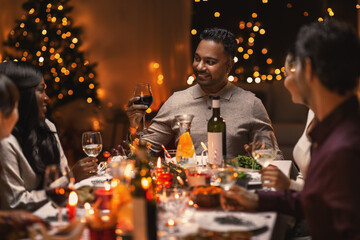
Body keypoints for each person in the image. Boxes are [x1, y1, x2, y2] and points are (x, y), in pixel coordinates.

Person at [221, 20, 360, 239]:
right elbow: (317, 200)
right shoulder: (334, 127)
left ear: (309, 69)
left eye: (294, 69)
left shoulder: (343, 147)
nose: (286, 81)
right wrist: (259, 200)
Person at [126, 27, 281, 159]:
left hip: (232, 188)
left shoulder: (251, 104)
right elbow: (143, 154)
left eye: (210, 62)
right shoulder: (177, 101)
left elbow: (273, 159)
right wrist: (135, 126)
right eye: (197, 58)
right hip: (186, 189)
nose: (199, 67)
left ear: (228, 65)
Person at [0, 61, 98, 211]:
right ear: (23, 96)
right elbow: (15, 203)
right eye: (40, 90)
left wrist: (69, 179)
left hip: (55, 212)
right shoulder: (5, 142)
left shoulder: (47, 127)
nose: (47, 98)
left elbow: (63, 175)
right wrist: (70, 178)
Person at [260, 47, 314, 191]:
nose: (285, 83)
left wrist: (288, 185)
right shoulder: (312, 112)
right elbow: (304, 178)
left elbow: (323, 198)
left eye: (289, 74)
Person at [0, 74, 46, 239]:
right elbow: (14, 202)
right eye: (14, 108)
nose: (17, 115)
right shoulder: (4, 144)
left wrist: (7, 218)